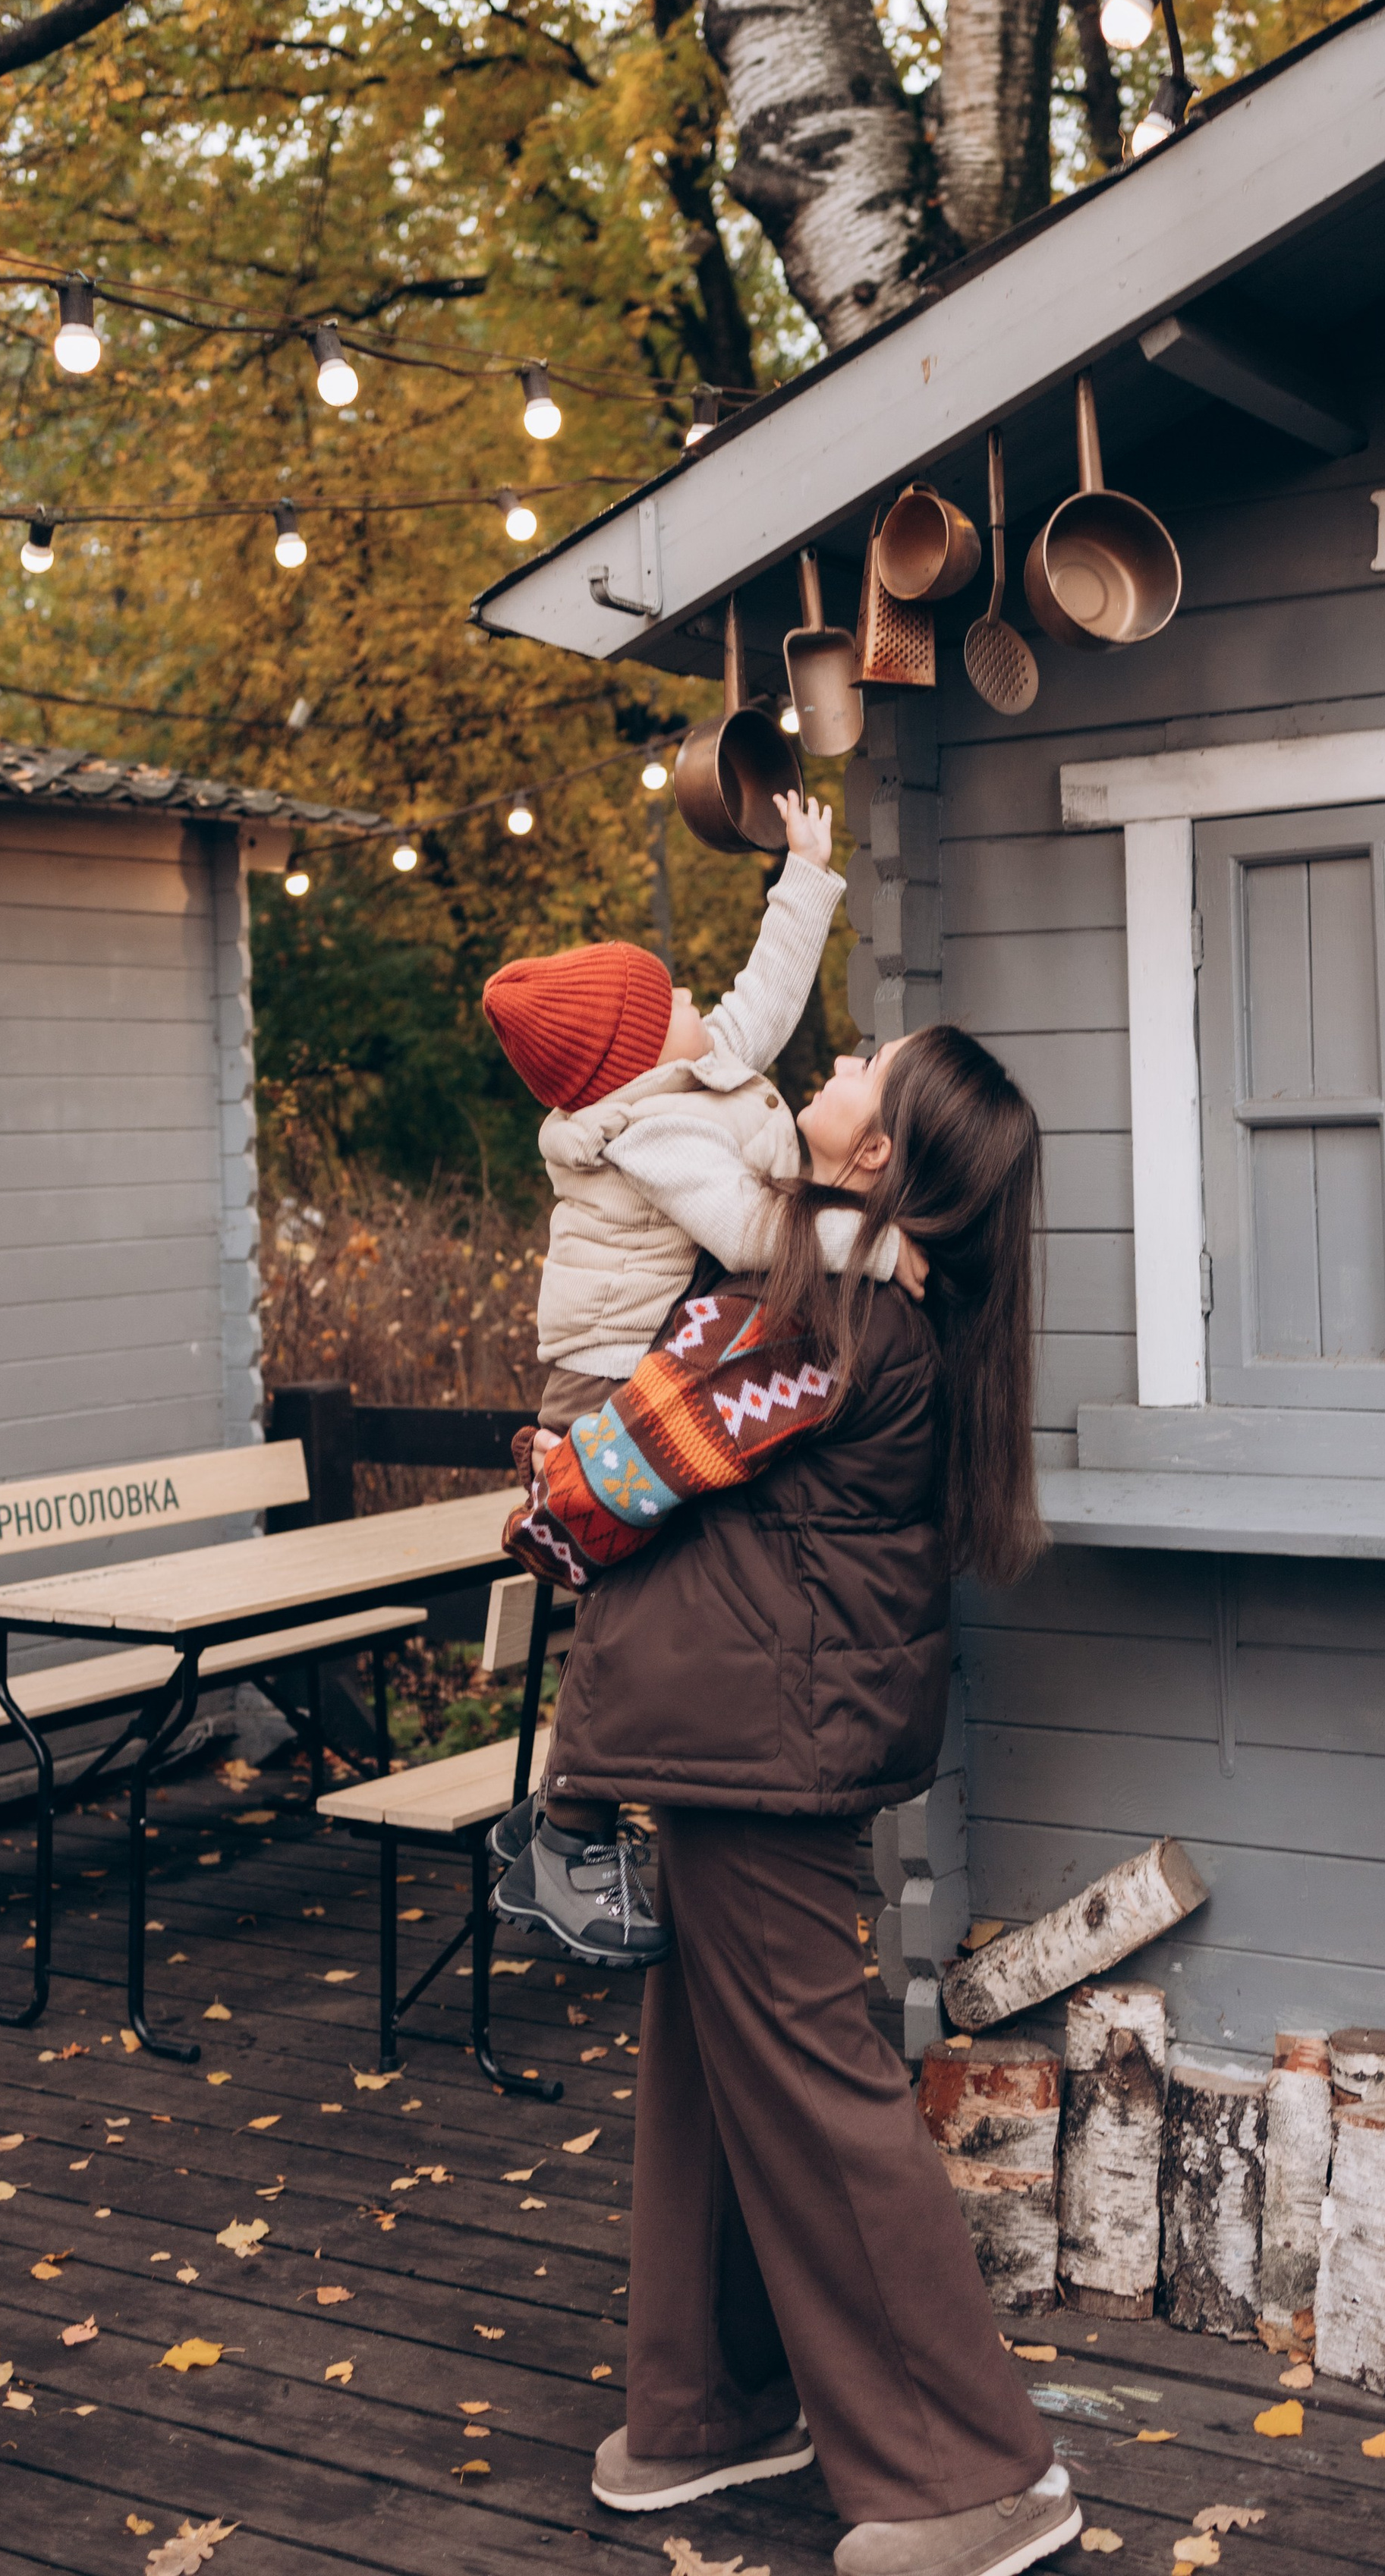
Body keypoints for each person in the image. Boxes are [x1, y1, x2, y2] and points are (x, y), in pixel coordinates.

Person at [497, 1024, 1082, 2576]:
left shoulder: (813, 1307)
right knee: (711, 2065)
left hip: (756, 1738)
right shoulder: (857, 1287)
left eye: (859, 1067)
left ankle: (972, 2475)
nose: (828, 1063)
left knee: (819, 2090)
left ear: (874, 1153)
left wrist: (544, 1496)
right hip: (751, 1724)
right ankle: (715, 2408)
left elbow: (615, 1477)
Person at [480, 787, 917, 1949]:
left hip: (640, 1363)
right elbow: (749, 1237)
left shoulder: (684, 1074)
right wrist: (868, 1245)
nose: (692, 999)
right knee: (632, 1603)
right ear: (628, 1059)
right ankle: (568, 1841)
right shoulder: (654, 1130)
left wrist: (808, 880)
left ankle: (549, 1840)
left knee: (639, 1605)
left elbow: (760, 1006)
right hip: (605, 1379)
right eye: (666, 1000)